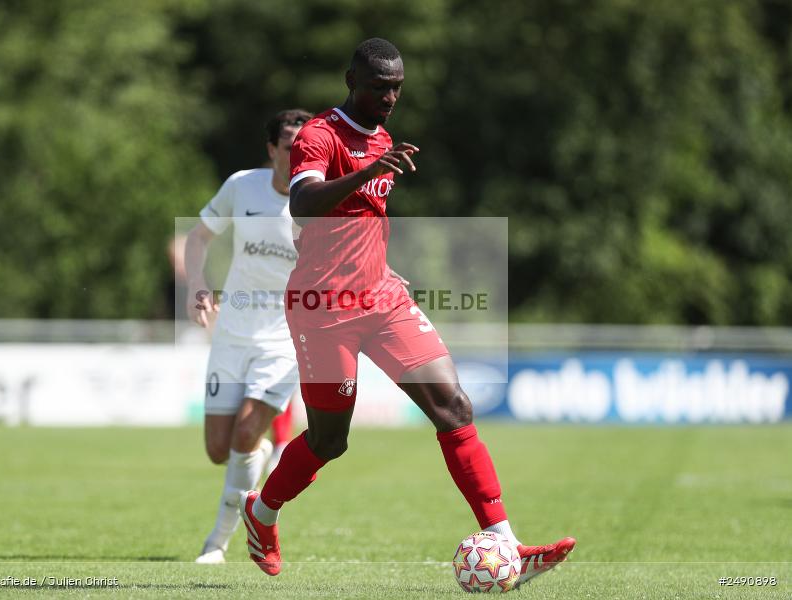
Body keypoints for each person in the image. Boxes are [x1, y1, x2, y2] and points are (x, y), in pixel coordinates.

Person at [240, 39, 575, 586]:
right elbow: (305, 204)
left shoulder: (386, 139)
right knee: (330, 440)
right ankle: (262, 512)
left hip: (381, 299)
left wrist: (383, 266)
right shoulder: (318, 136)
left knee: (454, 407)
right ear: (352, 79)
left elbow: (362, 219)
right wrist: (369, 167)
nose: (390, 97)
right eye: (378, 87)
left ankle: (507, 542)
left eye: (396, 87)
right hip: (323, 309)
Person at [186, 108, 312, 564]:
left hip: (282, 341)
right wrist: (196, 284)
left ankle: (215, 544)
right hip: (232, 335)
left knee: (242, 434)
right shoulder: (242, 185)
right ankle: (255, 456)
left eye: (305, 146)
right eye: (289, 146)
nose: (298, 155)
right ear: (271, 150)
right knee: (219, 450)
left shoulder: (318, 201)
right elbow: (198, 238)